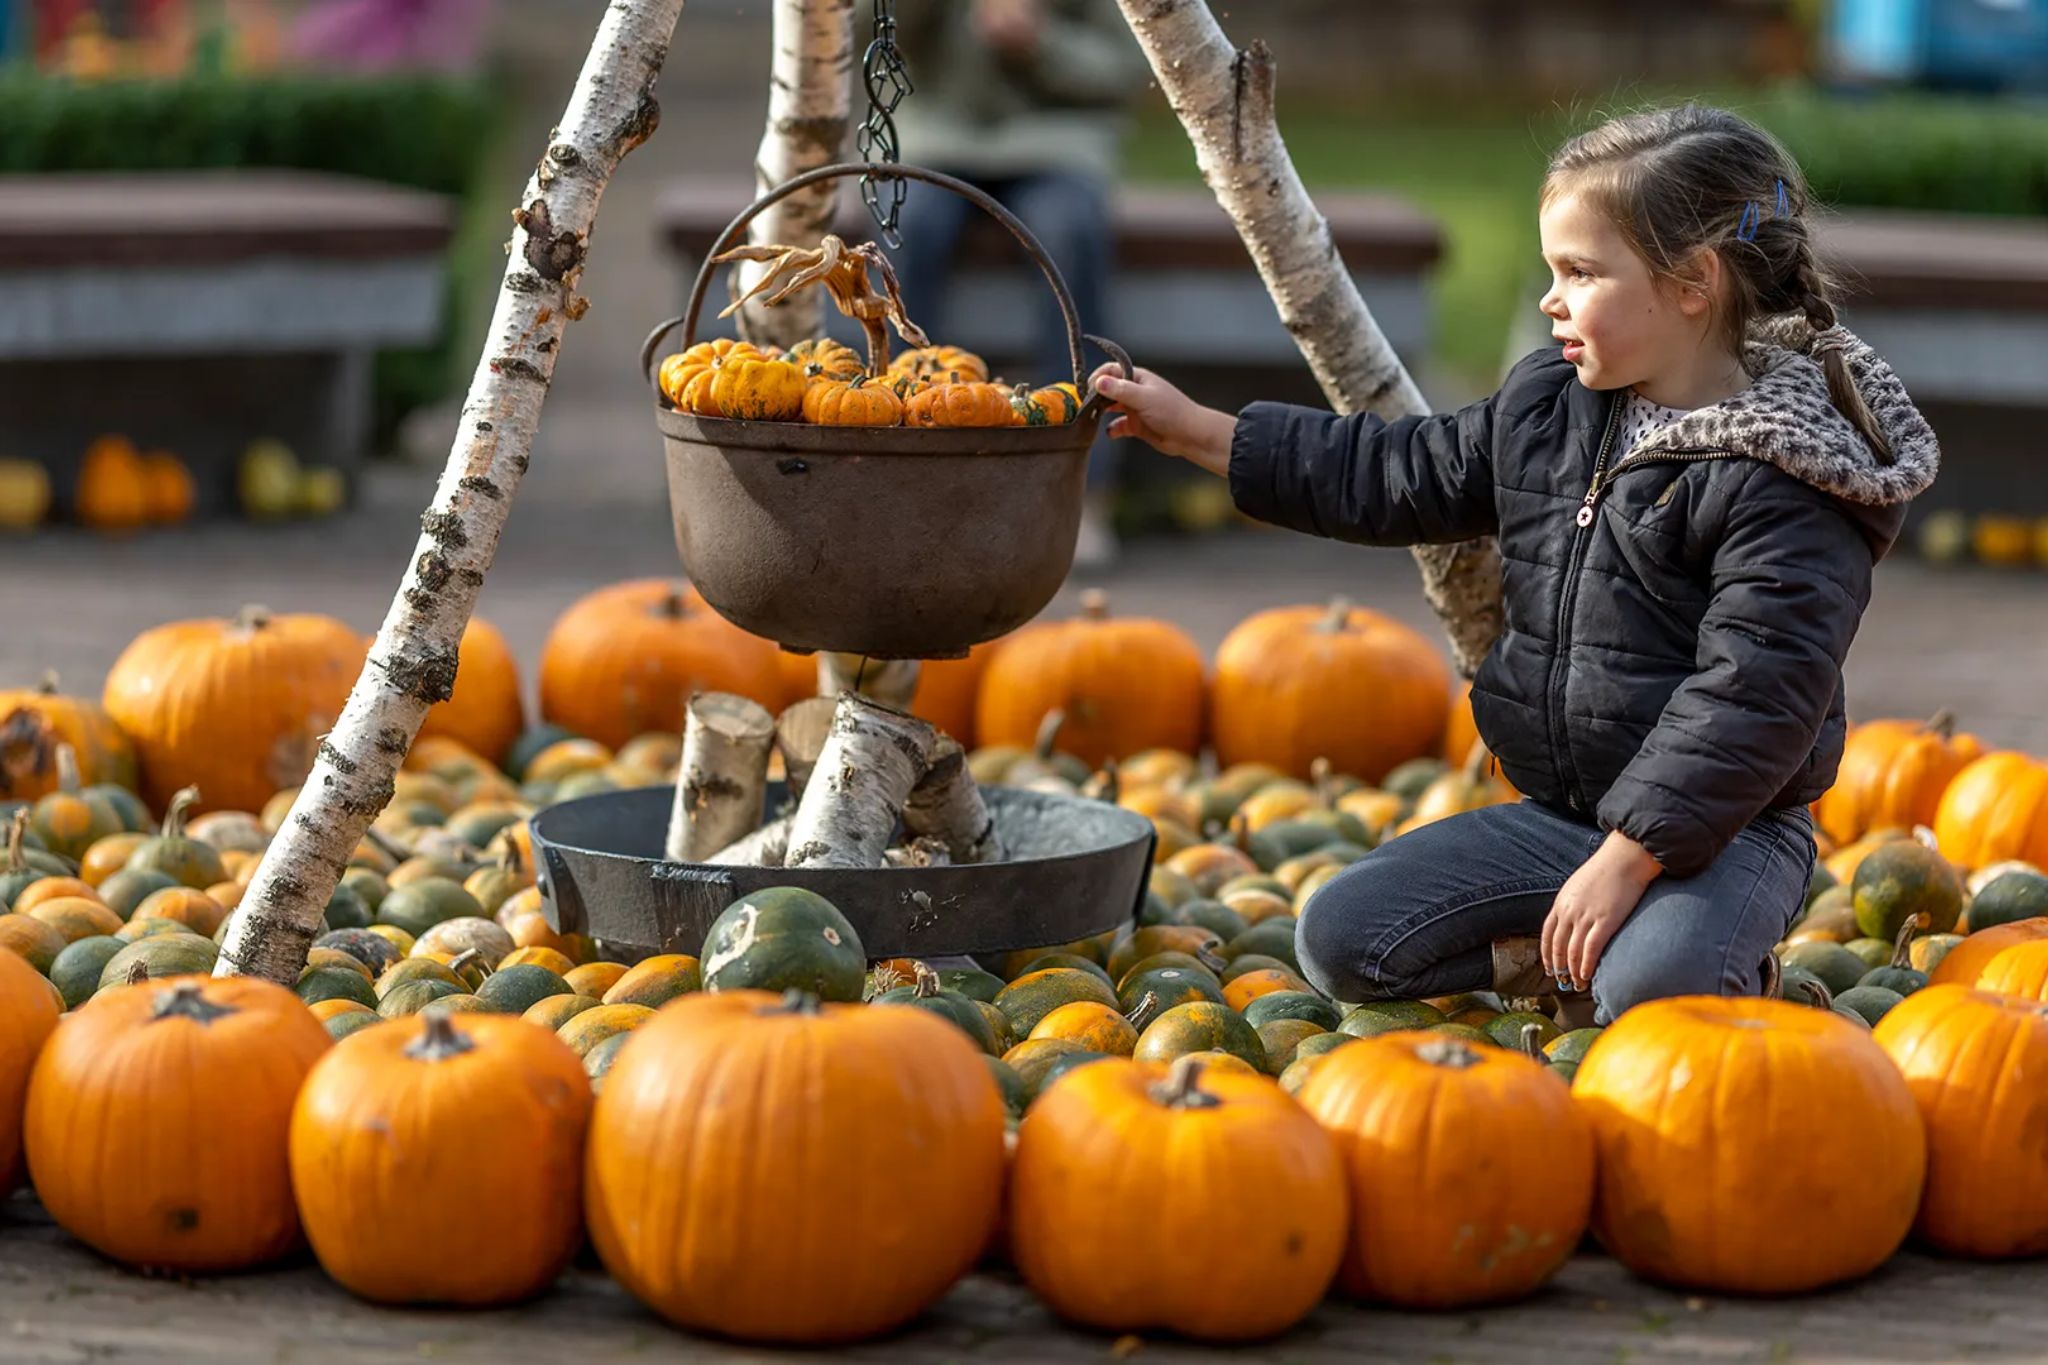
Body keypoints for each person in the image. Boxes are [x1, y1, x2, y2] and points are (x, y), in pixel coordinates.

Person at [1088, 104, 1939, 1024]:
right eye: (1552, 270)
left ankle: (1702, 972)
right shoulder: (1552, 405)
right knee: (1341, 936)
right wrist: (1206, 433)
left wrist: (1628, 859)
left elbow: (1752, 698)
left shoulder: (1787, 476)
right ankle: (1563, 962)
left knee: (1655, 992)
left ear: (1693, 282)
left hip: (1727, 829)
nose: (1550, 300)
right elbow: (1391, 472)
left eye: (1579, 272)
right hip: (1564, 817)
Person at [871, 0, 1147, 566]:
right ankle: (888, 456)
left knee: (1070, 237)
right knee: (906, 234)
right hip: (937, 140)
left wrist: (1039, 44)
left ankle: (1081, 486)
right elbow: (870, 42)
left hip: (1056, 145)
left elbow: (1123, 68)